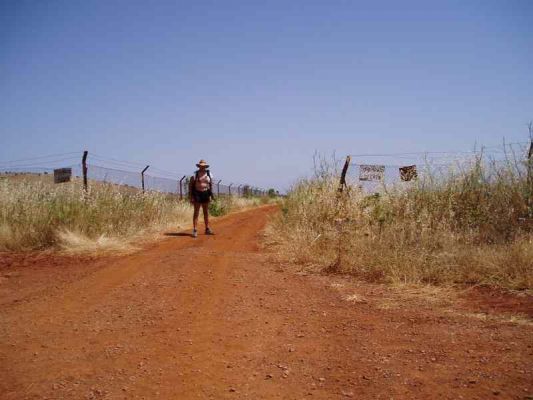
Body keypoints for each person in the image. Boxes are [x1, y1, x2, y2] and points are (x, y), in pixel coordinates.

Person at [189, 159, 215, 238]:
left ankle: (207, 229)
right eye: (201, 166)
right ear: (199, 166)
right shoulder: (195, 174)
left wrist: (210, 195)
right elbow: (190, 185)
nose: (202, 167)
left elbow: (211, 184)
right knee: (196, 212)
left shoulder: (209, 173)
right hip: (197, 193)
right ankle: (195, 230)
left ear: (205, 166)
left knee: (206, 212)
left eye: (203, 166)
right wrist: (191, 196)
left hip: (206, 193)